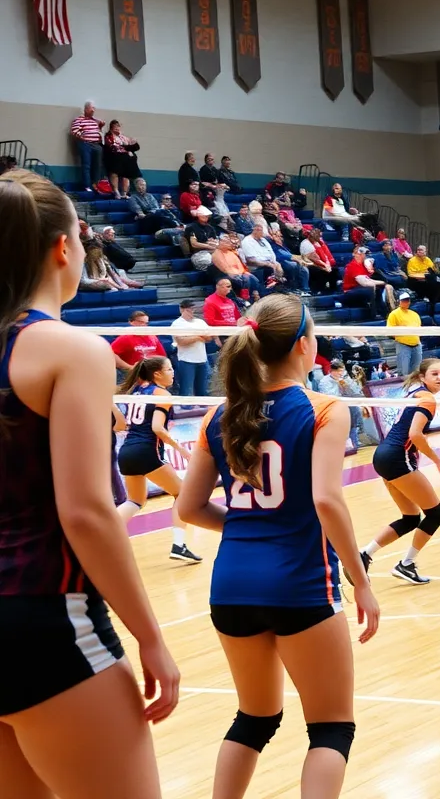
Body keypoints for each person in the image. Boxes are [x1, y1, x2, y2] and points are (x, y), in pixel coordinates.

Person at [0, 168, 180, 797]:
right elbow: (86, 512)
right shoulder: (73, 351)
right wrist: (150, 637)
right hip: (44, 618)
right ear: (62, 247)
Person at [176, 294, 379, 799]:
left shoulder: (218, 414)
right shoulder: (326, 408)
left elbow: (188, 508)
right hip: (301, 583)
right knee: (331, 727)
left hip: (232, 584)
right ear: (305, 346)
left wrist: (252, 527)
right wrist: (362, 580)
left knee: (254, 717)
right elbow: (327, 501)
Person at [358, 358, 440, 585]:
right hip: (397, 457)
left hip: (383, 455)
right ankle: (406, 564)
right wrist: (438, 461)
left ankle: (364, 555)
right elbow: (415, 435)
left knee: (410, 518)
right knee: (436, 514)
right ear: (422, 377)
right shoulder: (427, 399)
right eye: (434, 374)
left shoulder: (414, 395)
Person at [115, 356, 201, 564]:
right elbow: (157, 428)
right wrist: (183, 451)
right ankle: (179, 545)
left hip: (126, 451)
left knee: (135, 501)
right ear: (157, 374)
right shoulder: (161, 394)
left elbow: (119, 427)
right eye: (170, 369)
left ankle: (101, 536)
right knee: (182, 493)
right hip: (146, 450)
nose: (173, 373)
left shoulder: (136, 392)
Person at [386, 292, 422, 377]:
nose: (407, 302)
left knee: (416, 371)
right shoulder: (394, 314)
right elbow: (389, 331)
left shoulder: (415, 314)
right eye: (404, 300)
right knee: (403, 371)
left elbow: (419, 328)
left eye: (408, 300)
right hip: (403, 344)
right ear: (399, 301)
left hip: (417, 344)